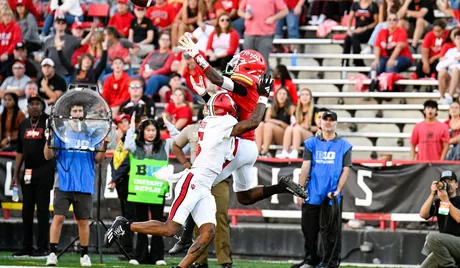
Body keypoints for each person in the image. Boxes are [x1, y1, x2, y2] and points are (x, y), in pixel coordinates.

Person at [104, 76, 272, 268]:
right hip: (194, 181)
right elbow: (252, 122)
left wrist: (204, 93)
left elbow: (217, 106)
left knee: (208, 232)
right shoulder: (220, 123)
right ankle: (125, 225)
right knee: (170, 228)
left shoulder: (215, 120)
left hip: (205, 185)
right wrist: (263, 96)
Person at [178, 34, 306, 206]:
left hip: (237, 144)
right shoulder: (250, 89)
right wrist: (203, 94)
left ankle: (185, 233)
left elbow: (216, 79)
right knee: (244, 197)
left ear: (247, 68)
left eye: (238, 63)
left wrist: (197, 55)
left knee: (199, 183)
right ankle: (280, 187)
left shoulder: (244, 86)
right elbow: (227, 108)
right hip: (249, 146)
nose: (233, 65)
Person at [44, 102, 107, 267]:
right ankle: (52, 253)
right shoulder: (60, 133)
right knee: (58, 218)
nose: (77, 113)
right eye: (74, 110)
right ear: (69, 113)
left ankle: (84, 255)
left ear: (84, 114)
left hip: (84, 183)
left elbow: (99, 160)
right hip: (63, 182)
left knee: (83, 221)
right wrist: (48, 139)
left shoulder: (92, 135)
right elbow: (48, 156)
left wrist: (104, 144)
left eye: (80, 110)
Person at [169, 111, 233, 268]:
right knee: (198, 220)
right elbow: (176, 144)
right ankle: (199, 260)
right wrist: (185, 163)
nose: (210, 109)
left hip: (218, 179)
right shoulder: (192, 129)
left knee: (221, 218)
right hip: (198, 178)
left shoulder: (226, 127)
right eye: (207, 106)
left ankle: (225, 260)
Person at [110, 115, 170, 265]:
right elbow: (128, 145)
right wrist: (131, 127)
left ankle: (158, 256)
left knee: (157, 223)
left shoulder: (164, 145)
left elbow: (177, 138)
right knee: (141, 223)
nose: (151, 133)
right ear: (142, 131)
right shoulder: (135, 147)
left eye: (153, 130)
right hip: (140, 190)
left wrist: (168, 124)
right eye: (148, 130)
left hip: (157, 190)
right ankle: (139, 256)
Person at [297, 111, 353, 268]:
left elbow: (346, 169)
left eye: (331, 120)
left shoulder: (344, 146)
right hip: (312, 193)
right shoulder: (311, 144)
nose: (328, 122)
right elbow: (305, 167)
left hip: (332, 195)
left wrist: (338, 190)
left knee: (331, 233)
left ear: (336, 123)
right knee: (308, 230)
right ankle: (311, 259)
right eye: (325, 119)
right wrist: (300, 190)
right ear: (319, 123)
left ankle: (330, 262)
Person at [10, 95, 54, 258]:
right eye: (31, 104)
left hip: (44, 169)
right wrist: (16, 173)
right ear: (27, 107)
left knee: (42, 210)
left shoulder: (49, 122)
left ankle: (42, 247)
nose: (34, 107)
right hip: (27, 171)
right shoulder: (23, 124)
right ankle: (26, 246)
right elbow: (19, 151)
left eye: (37, 104)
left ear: (43, 107)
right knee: (26, 210)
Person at [419, 170, 460, 268]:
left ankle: (449, 266)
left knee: (432, 237)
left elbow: (459, 218)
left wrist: (446, 200)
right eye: (444, 182)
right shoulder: (439, 202)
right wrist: (432, 194)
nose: (447, 184)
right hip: (445, 246)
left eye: (450, 181)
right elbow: (423, 214)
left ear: (456, 185)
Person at [277, 88, 318, 159]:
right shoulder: (296, 110)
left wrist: (308, 127)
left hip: (311, 136)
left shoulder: (316, 110)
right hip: (298, 135)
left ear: (310, 98)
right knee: (290, 128)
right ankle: (285, 151)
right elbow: (293, 124)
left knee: (297, 128)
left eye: (307, 95)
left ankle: (295, 152)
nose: (305, 97)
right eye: (302, 95)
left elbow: (320, 128)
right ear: (299, 98)